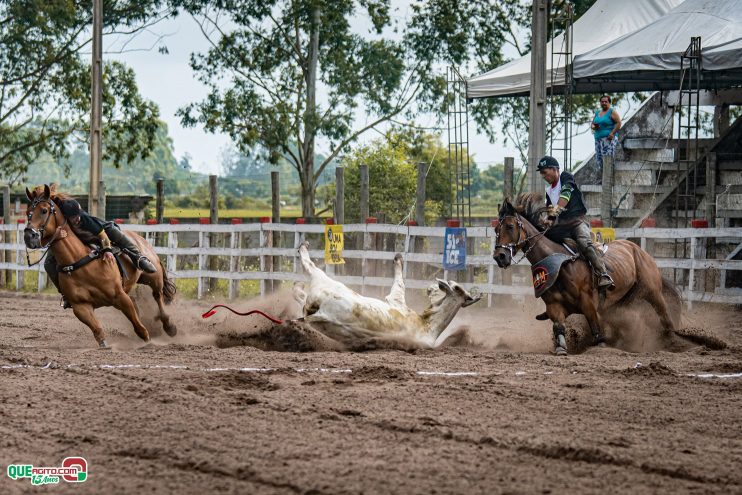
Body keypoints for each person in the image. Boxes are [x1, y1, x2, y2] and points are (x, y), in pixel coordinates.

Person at [45, 199, 157, 308]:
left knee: (116, 234)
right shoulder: (59, 220)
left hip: (102, 230)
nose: (77, 218)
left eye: (78, 214)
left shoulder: (84, 219)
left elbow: (102, 236)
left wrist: (107, 250)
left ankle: (138, 257)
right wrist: (56, 235)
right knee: (48, 263)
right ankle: (66, 294)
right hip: (74, 237)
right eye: (74, 217)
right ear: (65, 217)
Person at [537, 155, 615, 290]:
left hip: (577, 222)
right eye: (542, 173)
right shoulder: (549, 192)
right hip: (561, 226)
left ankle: (603, 274)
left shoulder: (565, 177)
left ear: (554, 169)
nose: (543, 176)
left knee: (585, 243)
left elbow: (565, 196)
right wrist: (547, 221)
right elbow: (550, 212)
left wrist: (552, 216)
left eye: (545, 172)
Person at [592, 95, 622, 171]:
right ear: (600, 103)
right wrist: (594, 127)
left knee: (607, 159)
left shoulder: (612, 111)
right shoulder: (598, 112)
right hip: (598, 139)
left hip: (608, 139)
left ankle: (609, 179)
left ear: (609, 103)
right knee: (600, 160)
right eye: (602, 102)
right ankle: (603, 178)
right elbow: (592, 124)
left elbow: (619, 123)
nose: (604, 103)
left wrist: (612, 133)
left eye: (606, 101)